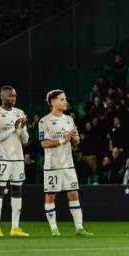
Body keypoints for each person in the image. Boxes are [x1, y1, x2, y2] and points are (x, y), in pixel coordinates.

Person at [38, 90, 93, 236]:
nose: (65, 102)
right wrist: (65, 138)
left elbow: (76, 142)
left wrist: (75, 140)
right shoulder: (44, 121)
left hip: (68, 164)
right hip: (52, 165)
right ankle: (54, 229)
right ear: (53, 102)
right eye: (62, 99)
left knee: (74, 194)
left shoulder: (69, 119)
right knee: (50, 196)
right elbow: (44, 143)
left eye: (65, 99)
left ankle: (79, 228)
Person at [0, 86, 30, 237]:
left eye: (14, 96)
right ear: (2, 96)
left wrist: (22, 128)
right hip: (3, 158)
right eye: (10, 96)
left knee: (17, 191)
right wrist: (13, 128)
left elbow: (25, 140)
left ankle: (15, 228)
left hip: (18, 158)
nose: (13, 98)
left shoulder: (20, 113)